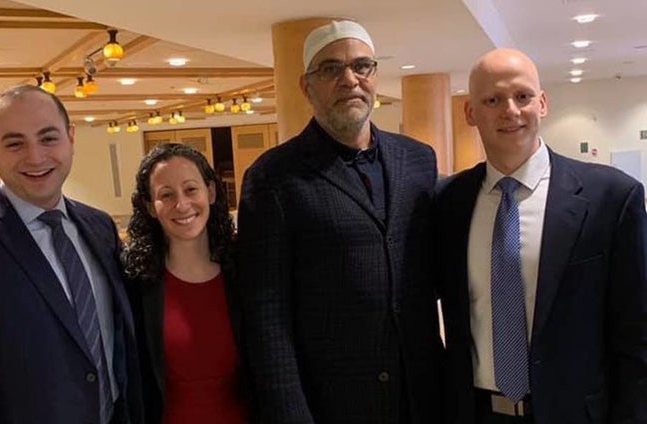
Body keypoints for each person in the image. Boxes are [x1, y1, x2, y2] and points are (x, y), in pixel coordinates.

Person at [237, 20, 444, 424]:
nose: (349, 79)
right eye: (330, 69)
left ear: (374, 76)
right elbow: (266, 315)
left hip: (422, 395)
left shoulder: (418, 160)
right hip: (333, 404)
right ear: (306, 86)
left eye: (361, 66)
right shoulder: (273, 177)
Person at [436, 48, 647, 423]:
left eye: (522, 96)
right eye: (492, 100)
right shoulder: (448, 203)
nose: (510, 111)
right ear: (470, 113)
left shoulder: (611, 198)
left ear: (543, 103)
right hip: (476, 411)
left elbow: (637, 333)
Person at [0, 85, 143, 424]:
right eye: (15, 143)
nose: (36, 157)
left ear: (71, 138)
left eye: (48, 138)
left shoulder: (99, 227)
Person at [122, 143, 248, 424]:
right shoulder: (135, 285)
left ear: (211, 192)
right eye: (166, 195)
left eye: (191, 189)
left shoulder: (245, 273)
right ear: (149, 207)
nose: (181, 205)